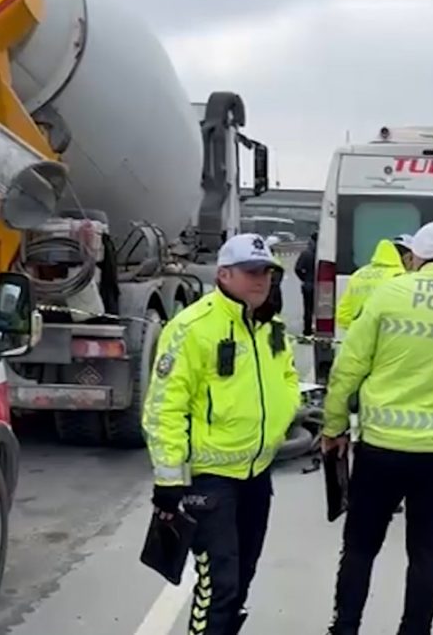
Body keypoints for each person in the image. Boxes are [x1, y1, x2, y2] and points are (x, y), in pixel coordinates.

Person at [322, 221, 433, 635]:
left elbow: (348, 368)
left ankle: (345, 628)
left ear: (417, 255)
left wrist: (334, 425)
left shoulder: (388, 294)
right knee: (428, 553)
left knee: (361, 547)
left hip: (382, 446)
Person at [142, 233, 301, 635]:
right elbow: (164, 409)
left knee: (243, 577)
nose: (260, 280)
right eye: (250, 272)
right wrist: (168, 481)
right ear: (224, 274)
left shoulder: (273, 327)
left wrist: (285, 418)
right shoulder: (191, 328)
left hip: (257, 473)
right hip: (210, 480)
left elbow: (287, 379)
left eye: (266, 272)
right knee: (220, 585)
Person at [335, 238, 407, 331]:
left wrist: (359, 330)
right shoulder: (400, 276)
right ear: (405, 257)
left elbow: (343, 314)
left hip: (358, 336)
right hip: (386, 336)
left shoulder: (358, 274)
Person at [294, 231, 318, 335]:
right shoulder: (325, 253)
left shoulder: (306, 253)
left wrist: (305, 279)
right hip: (323, 286)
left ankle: (307, 330)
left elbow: (298, 269)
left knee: (308, 309)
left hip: (309, 284)